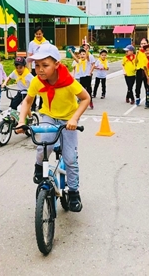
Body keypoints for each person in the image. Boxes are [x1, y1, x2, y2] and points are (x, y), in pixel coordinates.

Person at [17, 43, 90, 212]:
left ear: (56, 65)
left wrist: (74, 119)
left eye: (45, 65)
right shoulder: (37, 81)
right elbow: (28, 101)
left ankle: (73, 193)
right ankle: (38, 168)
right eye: (36, 65)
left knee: (70, 158)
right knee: (44, 147)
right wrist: (21, 121)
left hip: (67, 120)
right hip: (48, 116)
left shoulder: (68, 81)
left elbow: (85, 98)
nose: (40, 70)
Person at [27, 26, 49, 110]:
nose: (38, 35)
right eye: (37, 34)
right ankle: (32, 106)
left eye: (40, 34)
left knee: (44, 86)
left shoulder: (46, 43)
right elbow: (30, 55)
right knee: (34, 86)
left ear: (42, 34)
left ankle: (42, 106)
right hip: (34, 67)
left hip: (43, 67)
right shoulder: (32, 43)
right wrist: (29, 68)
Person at [135, 38, 149, 106]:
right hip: (139, 70)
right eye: (142, 44)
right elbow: (136, 61)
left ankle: (147, 99)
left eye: (144, 43)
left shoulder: (148, 52)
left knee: (147, 86)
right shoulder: (138, 52)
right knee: (138, 86)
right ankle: (137, 97)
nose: (143, 45)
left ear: (147, 44)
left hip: (146, 70)